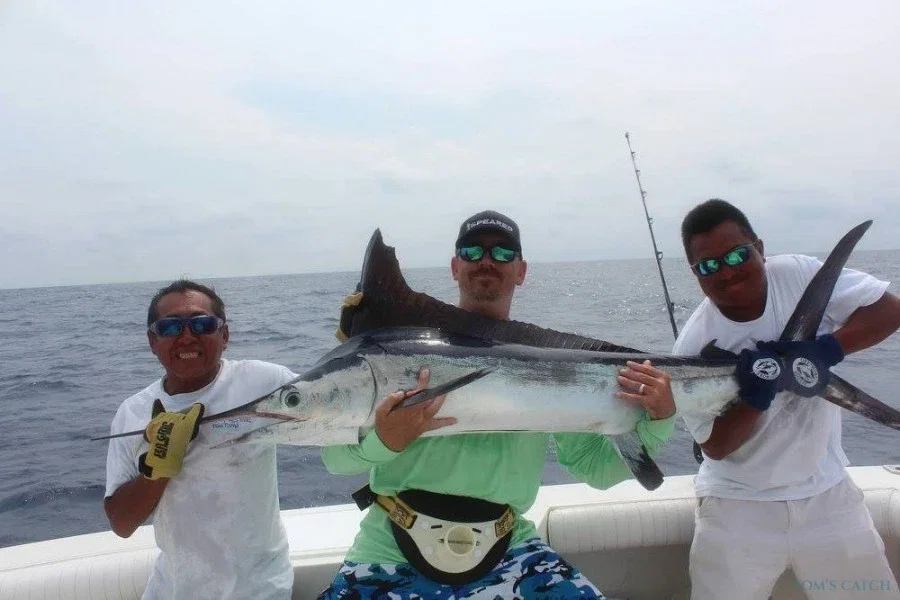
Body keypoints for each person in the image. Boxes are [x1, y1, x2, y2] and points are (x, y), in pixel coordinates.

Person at [317, 210, 677, 599]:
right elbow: (335, 459)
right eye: (472, 251)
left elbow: (596, 469)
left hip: (510, 553)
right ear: (455, 267)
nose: (486, 260)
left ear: (521, 271)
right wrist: (385, 440)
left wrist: (659, 420)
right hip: (388, 551)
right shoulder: (401, 354)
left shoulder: (555, 369)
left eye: (503, 253)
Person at [674, 199, 900, 600]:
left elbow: (890, 310)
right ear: (695, 274)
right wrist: (755, 398)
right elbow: (716, 446)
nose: (726, 271)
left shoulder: (796, 274)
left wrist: (826, 350)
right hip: (737, 505)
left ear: (759, 248)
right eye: (708, 266)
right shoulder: (692, 346)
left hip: (827, 495)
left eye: (737, 255)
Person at [104, 280, 296, 600]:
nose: (187, 336)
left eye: (202, 324)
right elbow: (122, 524)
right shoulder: (132, 412)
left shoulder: (265, 381)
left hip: (259, 590)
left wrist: (359, 344)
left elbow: (335, 411)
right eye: (170, 327)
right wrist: (158, 467)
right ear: (152, 341)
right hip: (170, 591)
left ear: (225, 335)